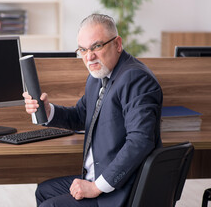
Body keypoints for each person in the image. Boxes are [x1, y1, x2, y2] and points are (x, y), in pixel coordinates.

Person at [23, 13, 163, 207]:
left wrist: (97, 187)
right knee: (44, 191)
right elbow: (81, 116)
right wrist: (48, 111)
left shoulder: (135, 78)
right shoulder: (98, 77)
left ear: (118, 44)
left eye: (96, 46)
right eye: (83, 49)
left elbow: (140, 141)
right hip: (96, 176)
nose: (89, 57)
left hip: (122, 188)